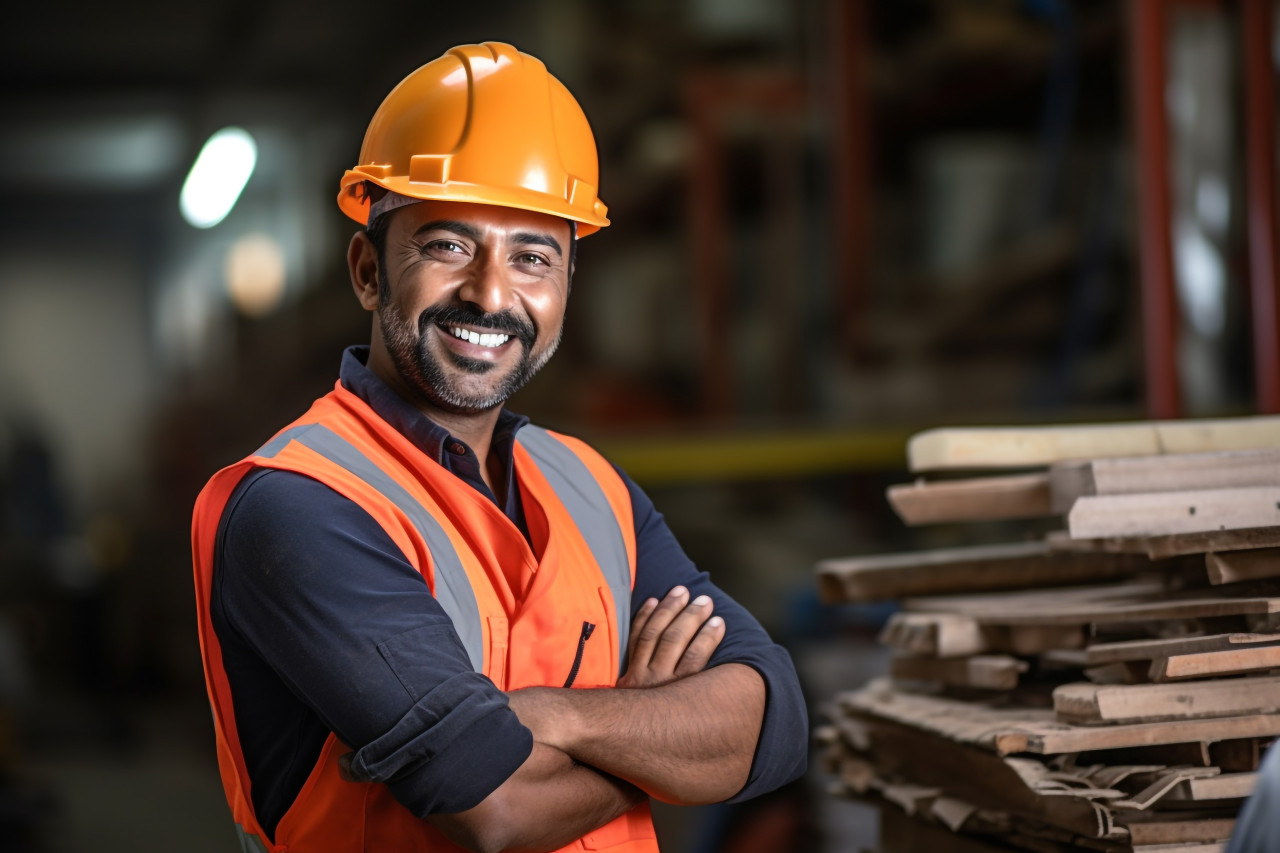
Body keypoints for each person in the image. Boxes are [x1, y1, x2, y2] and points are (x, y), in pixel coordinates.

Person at [191, 41, 807, 853]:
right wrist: (656, 730)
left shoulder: (592, 489)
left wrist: (561, 715)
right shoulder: (300, 505)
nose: (490, 292)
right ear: (368, 270)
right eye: (448, 244)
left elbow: (776, 719)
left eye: (533, 256)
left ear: (565, 289)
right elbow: (495, 808)